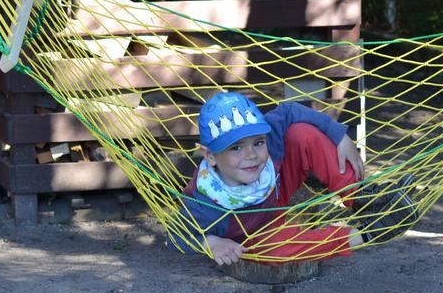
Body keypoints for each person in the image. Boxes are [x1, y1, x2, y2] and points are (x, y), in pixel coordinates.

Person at [168, 91, 416, 266]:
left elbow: (291, 111)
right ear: (210, 156)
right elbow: (177, 232)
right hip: (255, 236)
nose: (252, 154)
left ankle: (365, 198)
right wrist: (211, 241)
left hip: (276, 193)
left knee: (302, 134)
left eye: (257, 142)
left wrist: (339, 136)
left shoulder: (268, 144)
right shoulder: (205, 200)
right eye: (236, 148)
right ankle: (367, 233)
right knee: (276, 250)